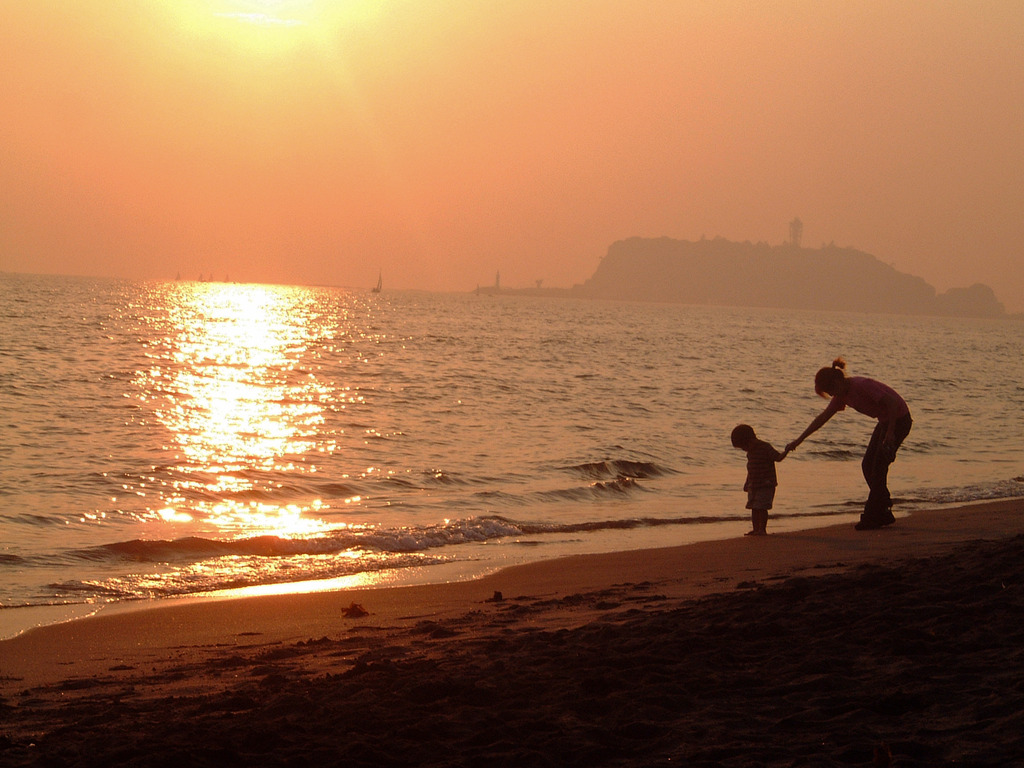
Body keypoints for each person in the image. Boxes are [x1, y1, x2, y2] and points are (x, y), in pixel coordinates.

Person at [786, 358, 912, 530]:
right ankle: (882, 506)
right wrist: (798, 440)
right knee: (868, 465)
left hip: (899, 420)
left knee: (879, 467)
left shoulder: (861, 385)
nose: (831, 395)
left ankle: (873, 516)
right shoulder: (842, 395)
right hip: (885, 422)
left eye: (830, 390)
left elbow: (892, 402)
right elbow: (822, 418)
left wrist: (890, 432)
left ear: (837, 381)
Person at [731, 424, 787, 535]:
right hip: (754, 484)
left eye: (744, 447)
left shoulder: (765, 447)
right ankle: (756, 529)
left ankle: (762, 529)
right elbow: (750, 469)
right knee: (754, 507)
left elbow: (778, 458)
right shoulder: (750, 453)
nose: (744, 450)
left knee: (761, 507)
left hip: (766, 484)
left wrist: (787, 450)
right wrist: (747, 482)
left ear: (749, 441)